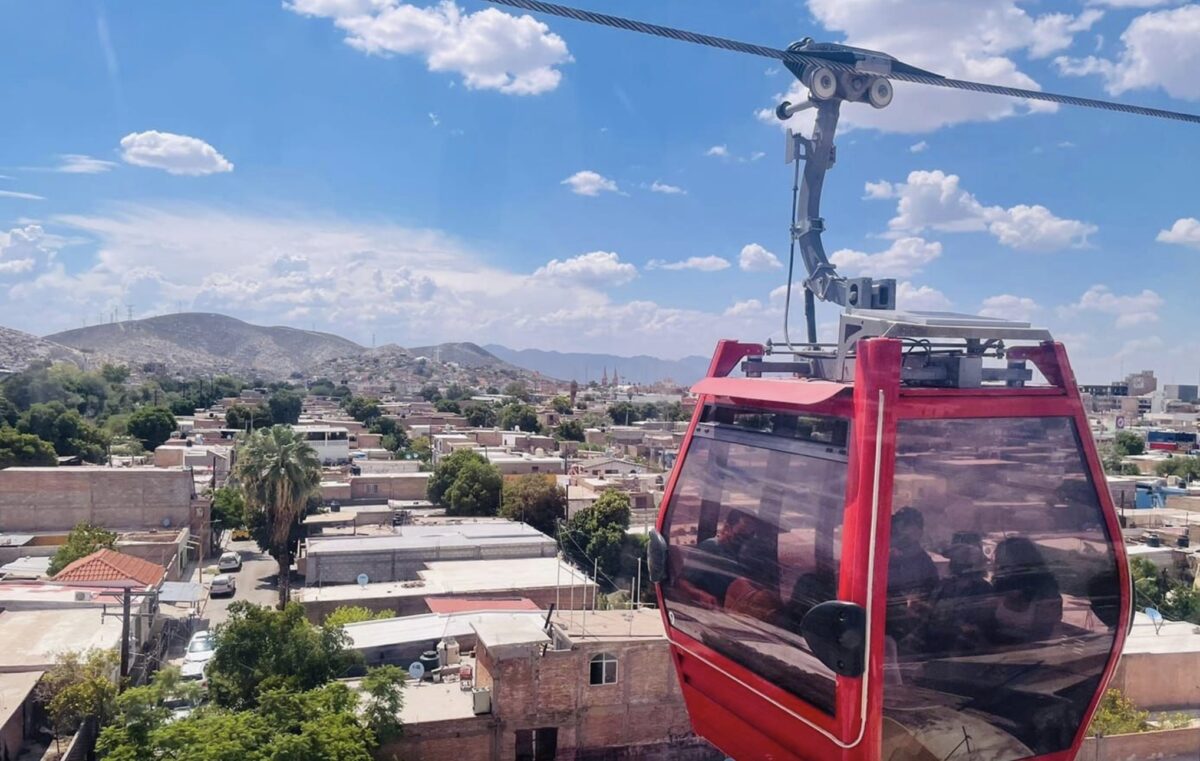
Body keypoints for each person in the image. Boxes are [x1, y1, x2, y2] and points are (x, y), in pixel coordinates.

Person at [990, 536, 1062, 644]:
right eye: (999, 562)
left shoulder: (1046, 593)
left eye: (1007, 562)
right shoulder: (1001, 586)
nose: (1001, 567)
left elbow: (1041, 638)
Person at [885, 507, 939, 651]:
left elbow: (931, 601)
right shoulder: (879, 559)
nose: (900, 534)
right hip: (881, 628)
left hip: (910, 635)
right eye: (897, 528)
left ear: (919, 532)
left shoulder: (924, 564)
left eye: (907, 527)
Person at [686, 509, 760, 602]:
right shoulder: (710, 547)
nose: (744, 541)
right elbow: (682, 582)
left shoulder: (745, 556)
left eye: (749, 536)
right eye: (741, 535)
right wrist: (701, 595)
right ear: (727, 528)